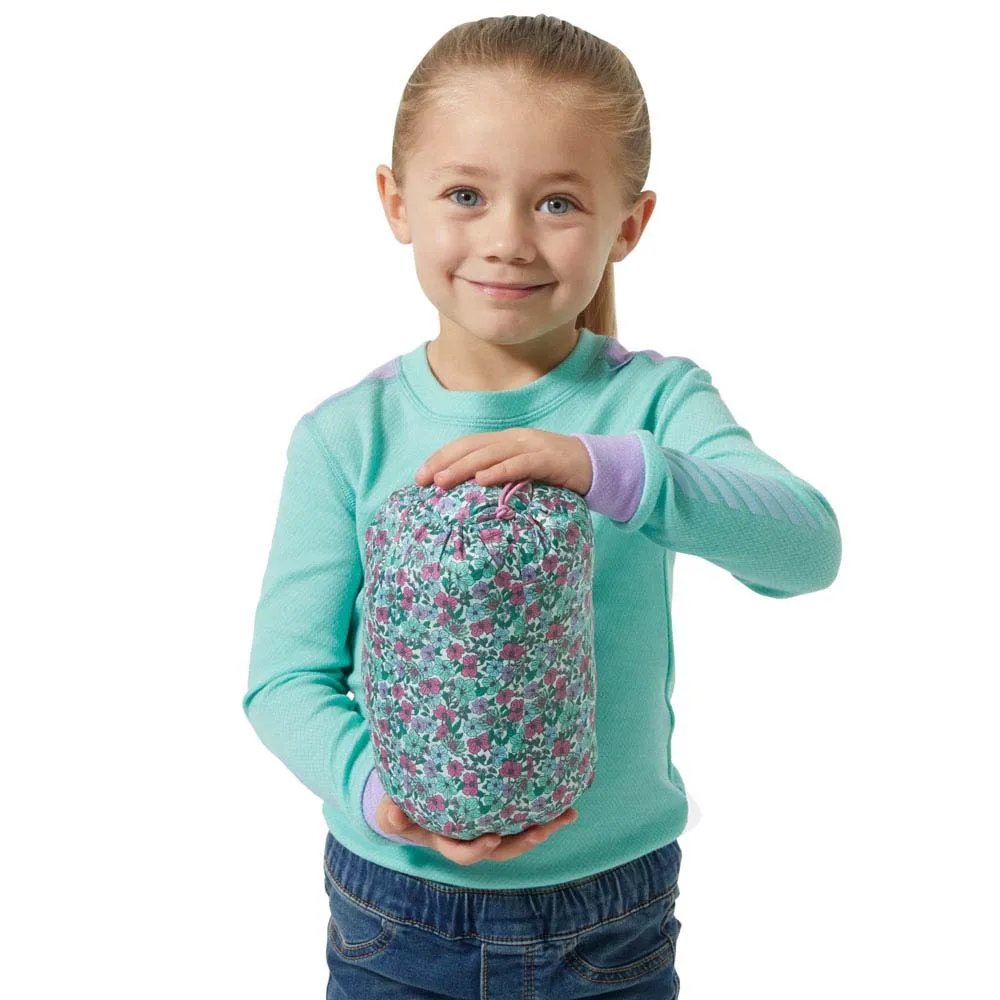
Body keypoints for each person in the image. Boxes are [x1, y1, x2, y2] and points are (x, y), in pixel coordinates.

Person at [243, 14, 841, 999]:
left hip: (609, 910)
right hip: (397, 905)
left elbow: (806, 548)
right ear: (396, 202)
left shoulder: (653, 405)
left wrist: (606, 469)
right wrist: (378, 792)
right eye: (465, 195)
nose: (507, 240)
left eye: (558, 202)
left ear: (629, 225)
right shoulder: (347, 435)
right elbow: (284, 679)